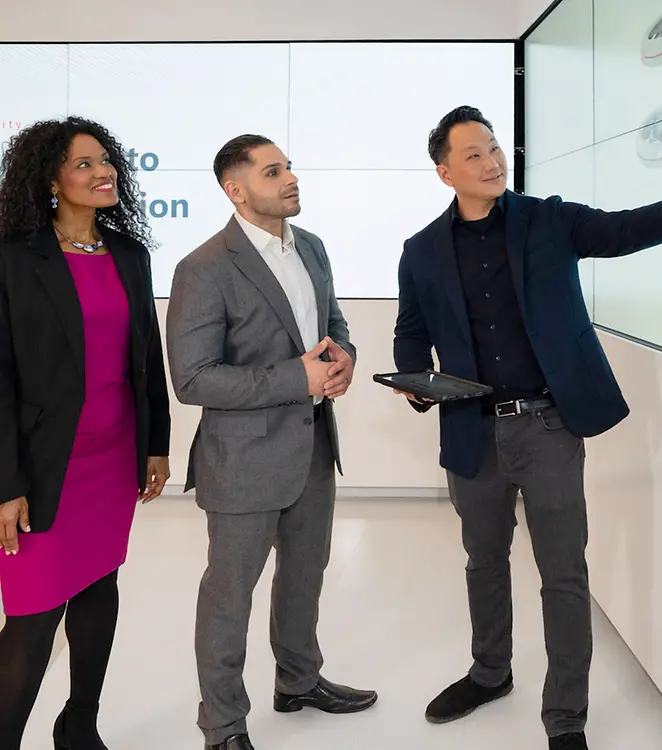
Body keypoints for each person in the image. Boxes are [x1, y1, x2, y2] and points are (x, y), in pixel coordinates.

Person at [392, 105, 662, 750]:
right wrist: (416, 379)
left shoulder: (548, 220)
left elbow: (622, 231)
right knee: (483, 561)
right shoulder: (420, 251)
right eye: (473, 154)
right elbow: (411, 334)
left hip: (547, 426)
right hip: (471, 431)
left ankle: (566, 717)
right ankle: (489, 673)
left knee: (563, 573)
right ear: (445, 171)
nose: (492, 160)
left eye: (494, 147)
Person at [165, 134, 377, 750]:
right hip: (242, 460)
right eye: (273, 170)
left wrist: (344, 359)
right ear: (236, 190)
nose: (291, 178)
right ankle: (223, 726)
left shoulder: (311, 247)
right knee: (230, 596)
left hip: (312, 445)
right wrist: (298, 377)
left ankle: (299, 681)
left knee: (305, 576)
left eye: (289, 166)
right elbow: (192, 378)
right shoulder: (203, 267)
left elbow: (331, 323)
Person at [0, 116, 172, 749]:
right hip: (44, 465)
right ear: (50, 180)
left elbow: (145, 356)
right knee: (33, 616)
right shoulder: (14, 259)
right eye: (84, 164)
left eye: (107, 160)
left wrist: (155, 442)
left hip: (112, 456)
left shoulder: (129, 254)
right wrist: (5, 483)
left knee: (100, 589)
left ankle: (79, 725)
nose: (105, 172)